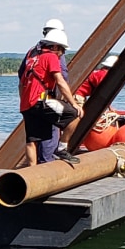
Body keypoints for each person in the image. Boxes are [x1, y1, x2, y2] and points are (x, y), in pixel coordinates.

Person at [19, 27, 78, 165]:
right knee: (75, 115)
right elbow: (60, 80)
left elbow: (21, 85)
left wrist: (24, 104)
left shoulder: (33, 59)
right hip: (41, 100)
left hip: (27, 105)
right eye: (62, 50)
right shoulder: (51, 57)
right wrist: (73, 103)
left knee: (32, 140)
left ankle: (31, 175)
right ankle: (62, 149)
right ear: (55, 46)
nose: (61, 54)